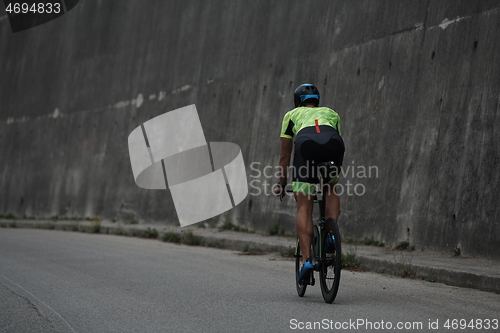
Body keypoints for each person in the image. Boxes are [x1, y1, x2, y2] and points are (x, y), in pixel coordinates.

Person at [274, 83, 345, 284]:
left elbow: (284, 155)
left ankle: (307, 261)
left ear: (297, 102)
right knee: (330, 186)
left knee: (304, 206)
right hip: (333, 143)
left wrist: (281, 183)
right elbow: (336, 136)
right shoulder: (332, 113)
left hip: (306, 146)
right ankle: (331, 234)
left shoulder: (291, 115)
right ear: (317, 101)